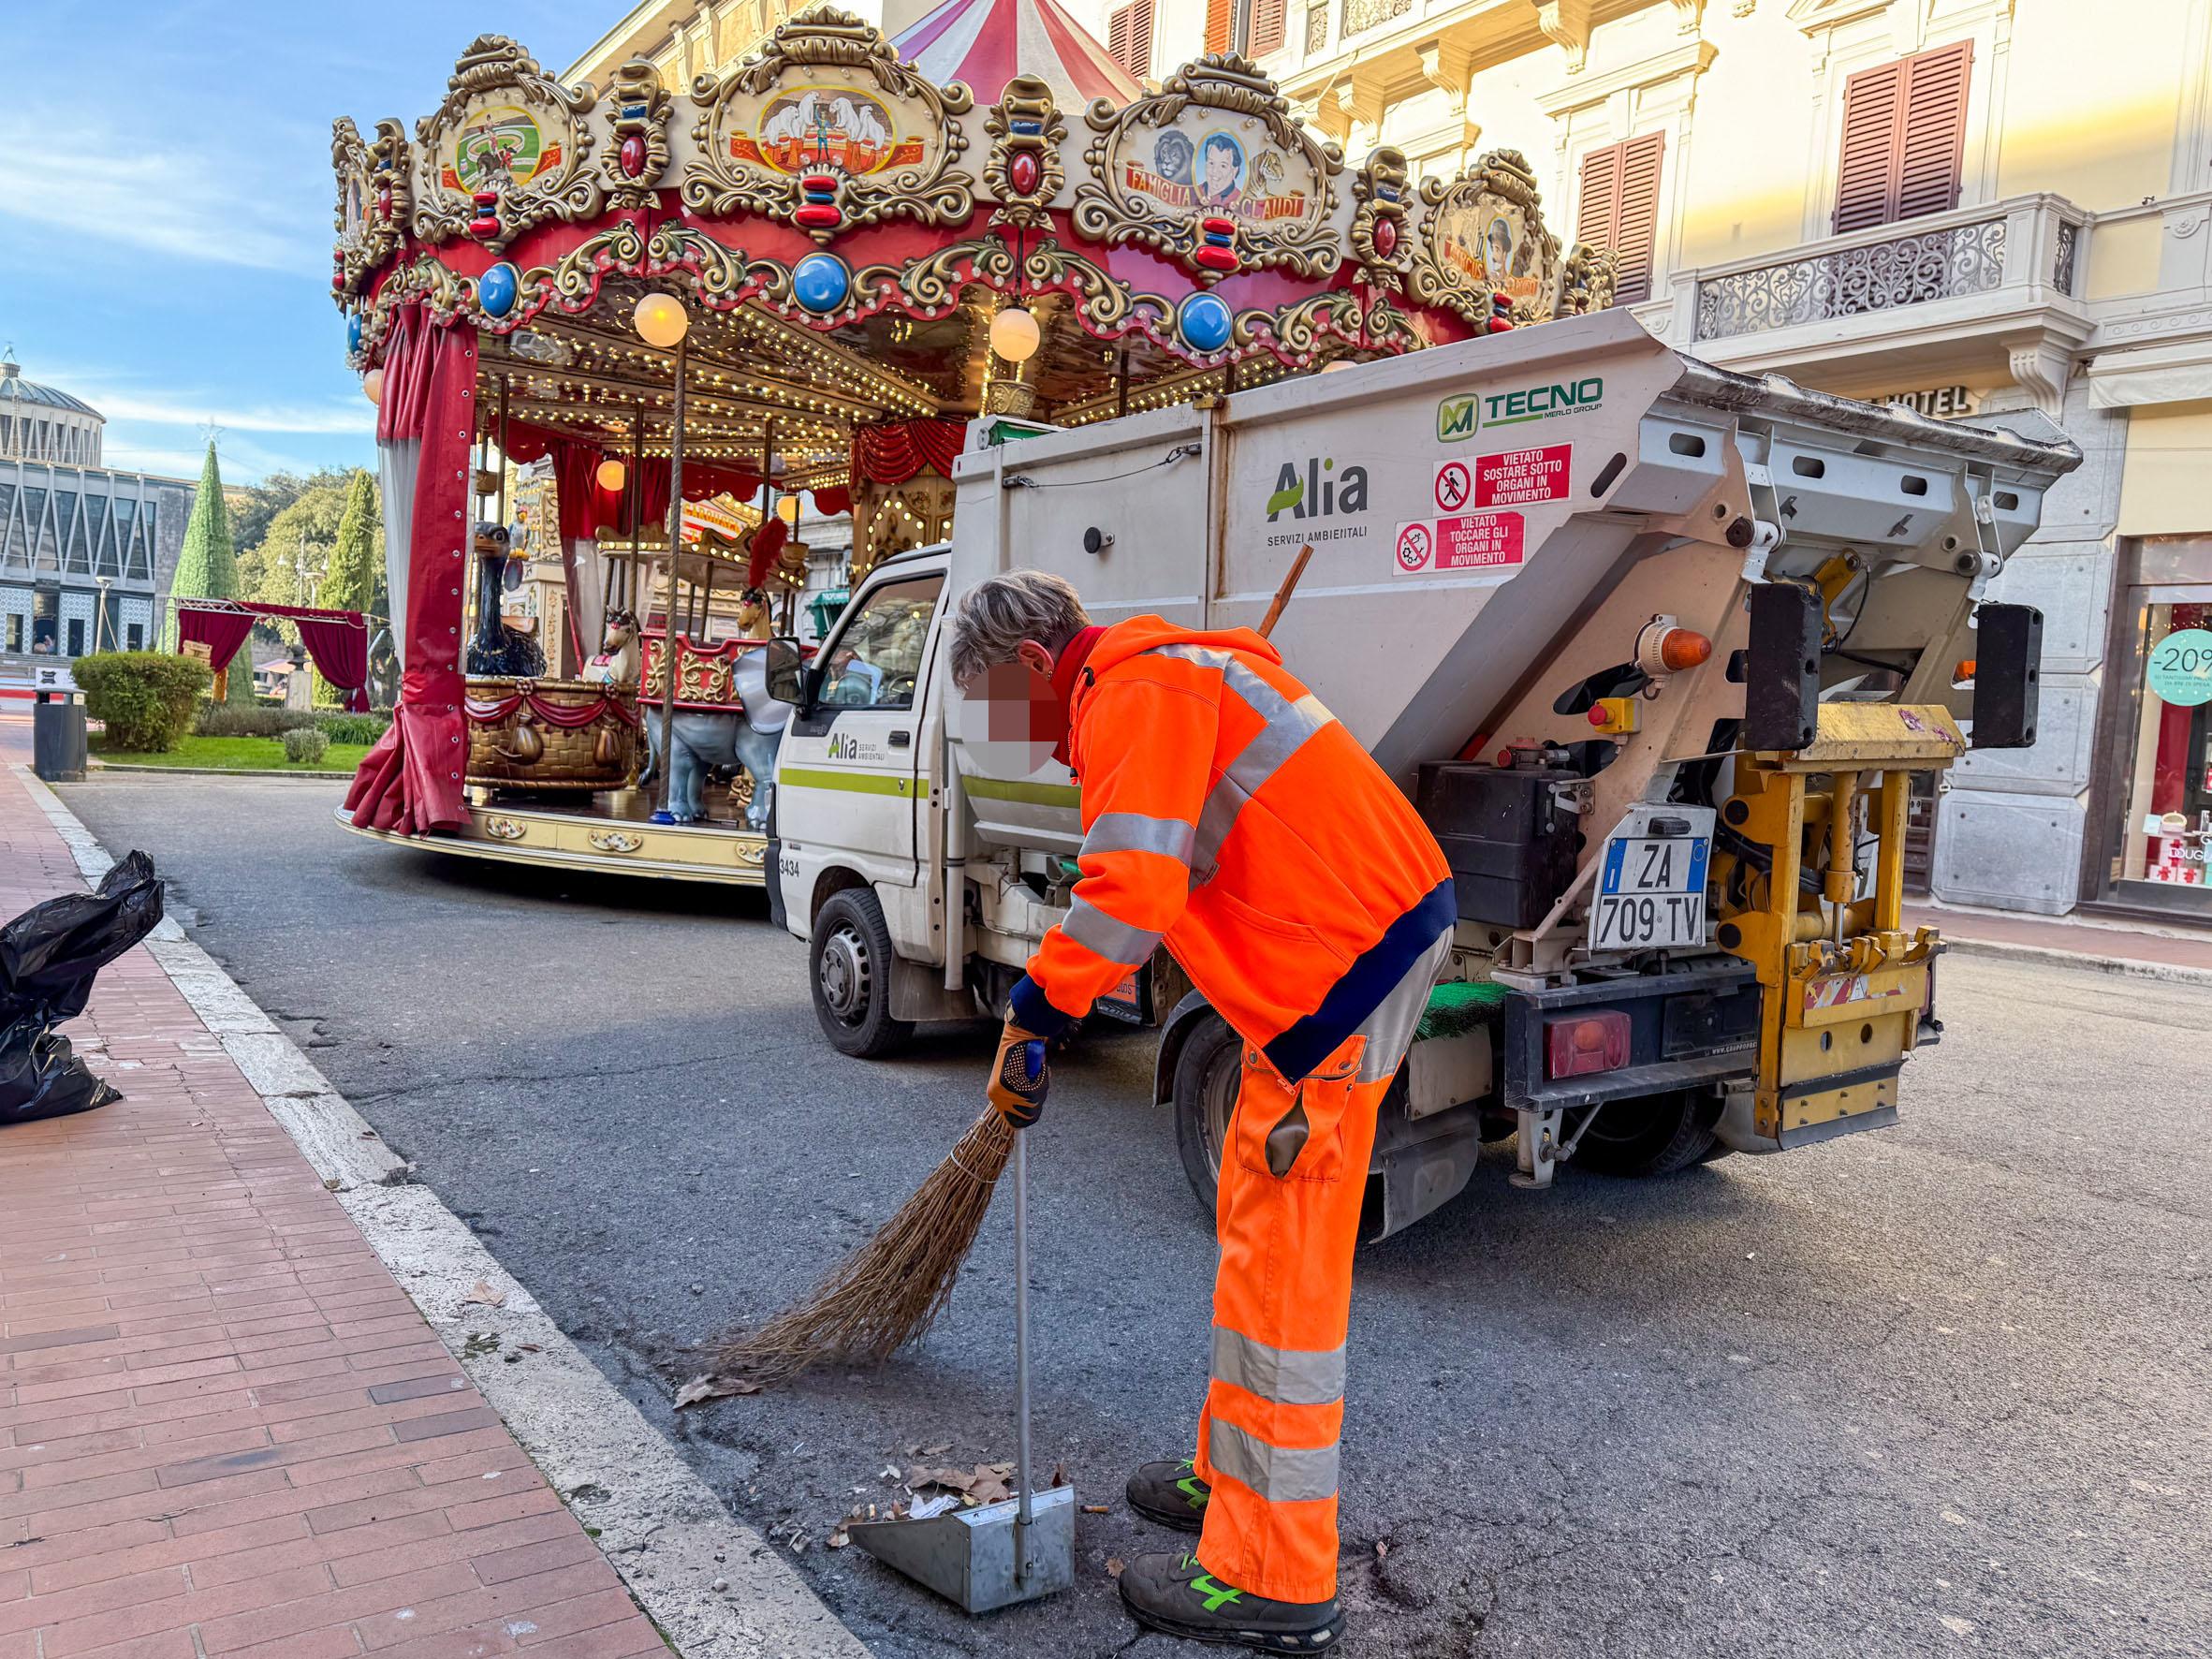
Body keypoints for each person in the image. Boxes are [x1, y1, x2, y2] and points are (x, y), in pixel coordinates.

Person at [949, 571, 1455, 1652]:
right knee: (1249, 1217)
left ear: (1038, 665)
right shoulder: (1165, 677)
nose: (1030, 746)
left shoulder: (1135, 692)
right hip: (1339, 961)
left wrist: (1035, 1013)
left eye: (1008, 708)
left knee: (1282, 1266)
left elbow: (1130, 885)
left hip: (1339, 973)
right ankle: (1232, 1469)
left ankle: (1270, 1574)